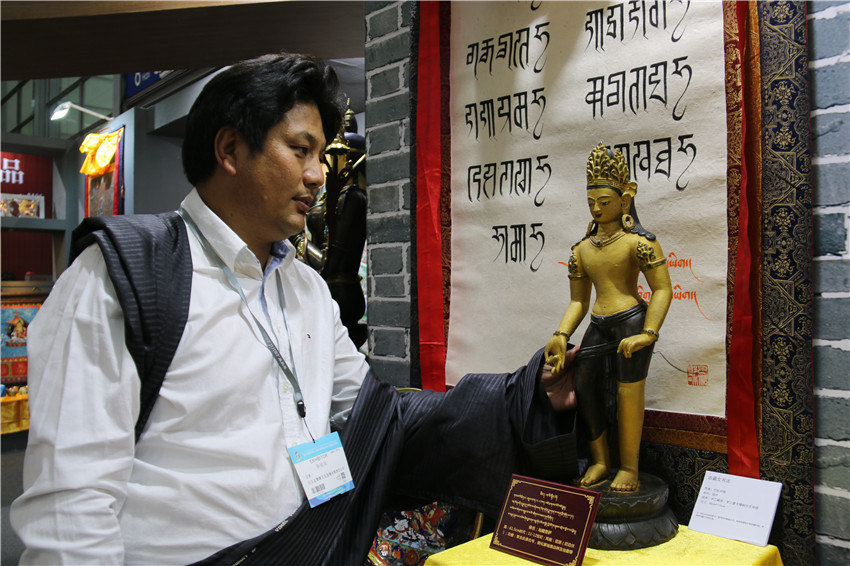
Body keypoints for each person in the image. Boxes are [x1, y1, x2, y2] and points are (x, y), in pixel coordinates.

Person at [11, 53, 579, 565]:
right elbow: (71, 507)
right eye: (300, 149)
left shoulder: (305, 288)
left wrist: (525, 395)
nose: (318, 174)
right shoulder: (123, 276)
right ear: (230, 150)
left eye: (321, 154)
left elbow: (377, 418)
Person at [545, 143, 672, 492]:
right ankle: (600, 460)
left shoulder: (639, 242)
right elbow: (578, 301)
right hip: (599, 325)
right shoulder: (582, 249)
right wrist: (561, 334)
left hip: (632, 322)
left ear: (625, 199)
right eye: (591, 203)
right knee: (584, 385)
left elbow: (662, 289)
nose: (597, 209)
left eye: (604, 201)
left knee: (629, 392)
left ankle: (629, 467)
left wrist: (648, 333)